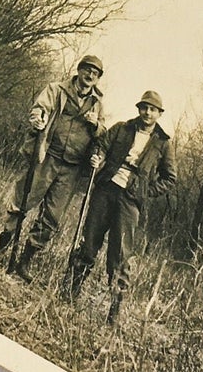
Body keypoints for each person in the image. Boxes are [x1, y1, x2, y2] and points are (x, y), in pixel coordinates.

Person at [66, 90, 175, 321]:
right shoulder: (122, 128)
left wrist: (145, 192)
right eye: (144, 107)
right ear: (139, 109)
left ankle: (114, 310)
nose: (148, 113)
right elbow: (101, 145)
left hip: (131, 200)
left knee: (121, 254)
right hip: (106, 189)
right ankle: (71, 291)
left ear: (159, 114)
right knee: (89, 241)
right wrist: (97, 156)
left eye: (153, 109)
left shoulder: (163, 144)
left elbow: (169, 178)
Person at [0, 55, 105, 281]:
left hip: (72, 169)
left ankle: (24, 262)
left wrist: (97, 126)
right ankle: (2, 248)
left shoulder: (97, 104)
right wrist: (38, 119)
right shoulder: (57, 90)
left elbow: (102, 135)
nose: (90, 76)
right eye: (87, 70)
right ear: (79, 70)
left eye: (95, 73)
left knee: (52, 218)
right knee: (22, 202)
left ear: (97, 79)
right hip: (47, 157)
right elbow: (40, 109)